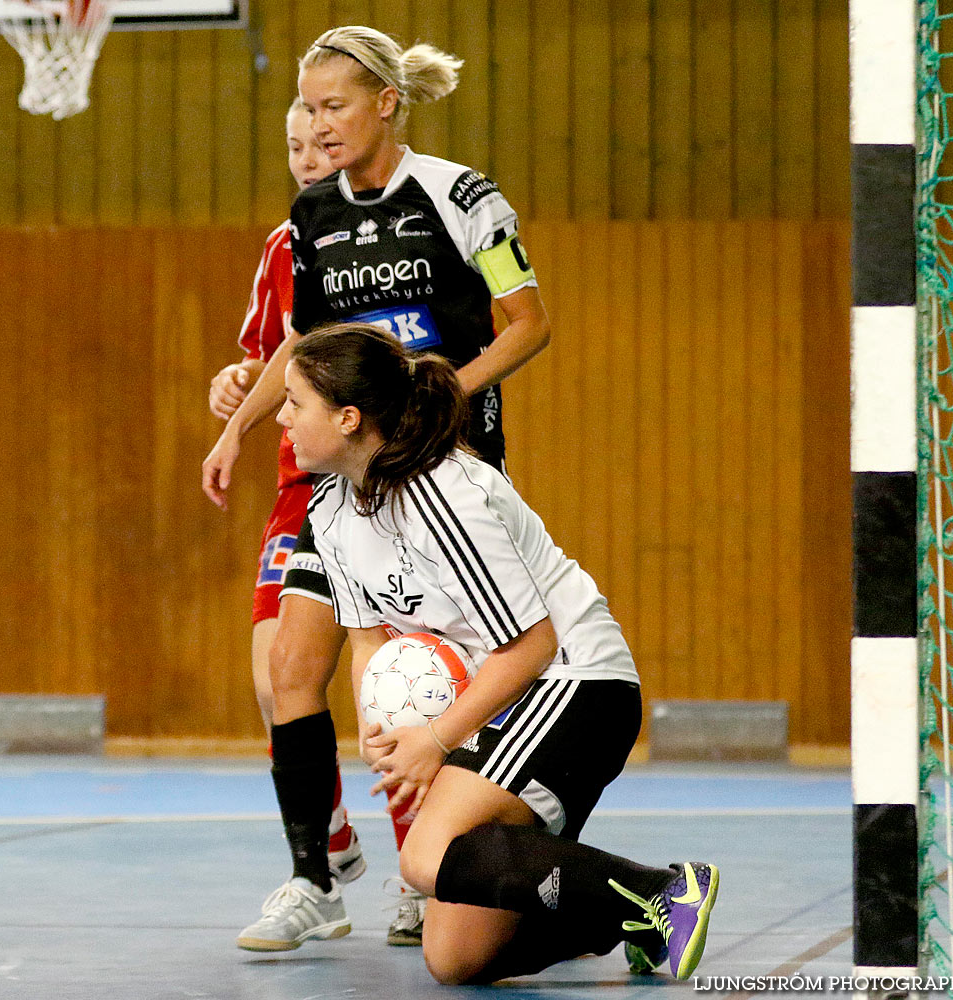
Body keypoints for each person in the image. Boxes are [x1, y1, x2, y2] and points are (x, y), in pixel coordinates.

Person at [203, 26, 550, 950]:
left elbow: (527, 325)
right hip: (343, 483)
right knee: (290, 669)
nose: (318, 124)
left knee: (422, 683)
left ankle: (430, 864)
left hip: (443, 475)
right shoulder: (313, 215)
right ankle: (313, 879)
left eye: (333, 106)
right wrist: (238, 425)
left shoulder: (461, 195)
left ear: (385, 103)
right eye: (308, 108)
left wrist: (438, 394)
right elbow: (300, 351)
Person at [281, 323, 719, 984]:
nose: (280, 417)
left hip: (572, 681)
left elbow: (531, 645)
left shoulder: (440, 496)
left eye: (294, 402)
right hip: (504, 699)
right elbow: (368, 636)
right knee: (456, 958)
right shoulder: (332, 511)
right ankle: (605, 918)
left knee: (423, 858)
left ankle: (660, 894)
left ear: (347, 418)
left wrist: (436, 738)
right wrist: (383, 727)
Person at [207, 100, 368, 931]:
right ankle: (321, 860)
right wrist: (232, 399)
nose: (308, 158)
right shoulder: (285, 245)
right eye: (294, 146)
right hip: (301, 487)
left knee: (395, 689)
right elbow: (267, 355)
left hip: (386, 479)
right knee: (276, 673)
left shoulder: (407, 225)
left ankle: (424, 876)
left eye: (322, 142)